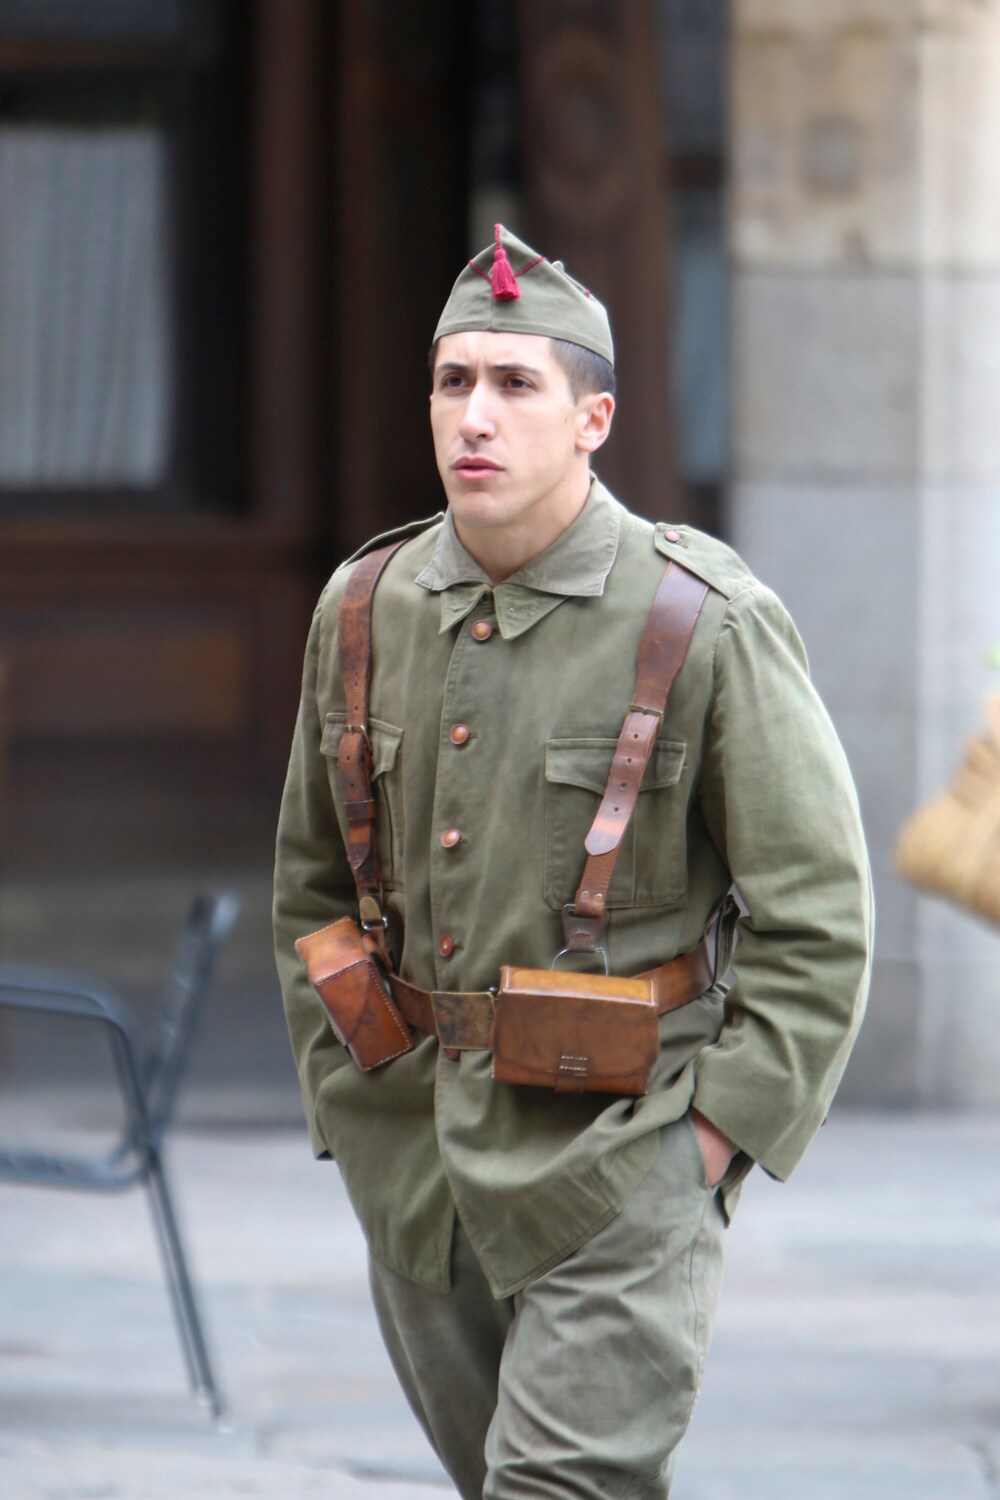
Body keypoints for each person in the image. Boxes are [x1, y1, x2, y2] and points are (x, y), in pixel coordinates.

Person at [273, 225, 873, 1500]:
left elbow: (817, 919)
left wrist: (705, 1147)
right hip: (416, 1167)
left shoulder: (702, 619)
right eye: (453, 383)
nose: (474, 417)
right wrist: (349, 1102)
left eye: (514, 385)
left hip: (620, 1160)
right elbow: (313, 888)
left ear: (593, 416)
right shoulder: (362, 607)